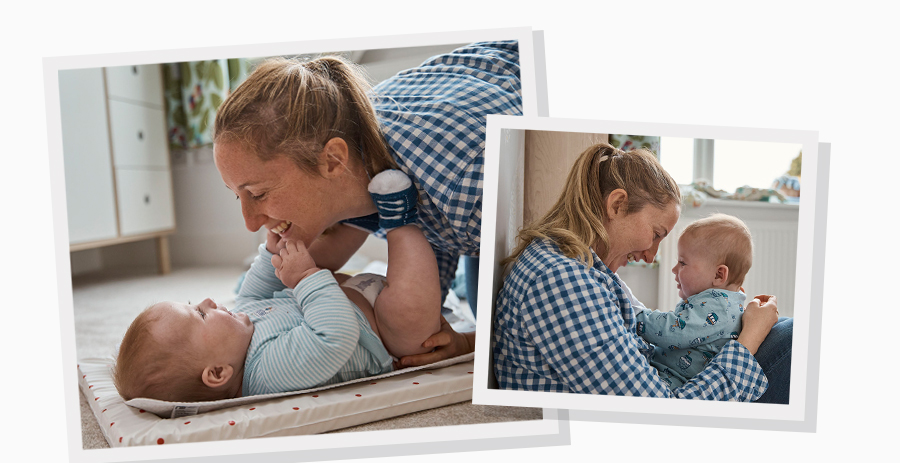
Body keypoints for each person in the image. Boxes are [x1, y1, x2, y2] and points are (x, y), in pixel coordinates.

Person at [212, 41, 522, 367]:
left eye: (258, 193)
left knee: (491, 310)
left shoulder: (471, 187)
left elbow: (565, 267)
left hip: (521, 148)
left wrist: (469, 342)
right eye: (238, 195)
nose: (250, 221)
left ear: (333, 160)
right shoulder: (347, 134)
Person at [113, 171, 455, 401]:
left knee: (302, 255)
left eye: (194, 303)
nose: (207, 301)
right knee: (410, 319)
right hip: (385, 331)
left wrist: (272, 252)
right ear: (218, 372)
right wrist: (305, 278)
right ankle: (399, 221)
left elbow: (253, 292)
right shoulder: (269, 373)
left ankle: (358, 213)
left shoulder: (238, 327)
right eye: (200, 316)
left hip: (347, 291)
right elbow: (335, 335)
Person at [493, 142, 792, 402]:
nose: (651, 256)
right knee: (794, 340)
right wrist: (750, 338)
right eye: (656, 233)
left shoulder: (582, 268)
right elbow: (663, 411)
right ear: (617, 205)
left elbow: (642, 323)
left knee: (791, 335)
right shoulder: (561, 282)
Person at [636, 213, 754, 389]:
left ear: (718, 275)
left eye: (683, 263)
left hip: (673, 382)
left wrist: (636, 315)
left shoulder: (719, 306)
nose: (675, 269)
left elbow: (673, 331)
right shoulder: (720, 301)